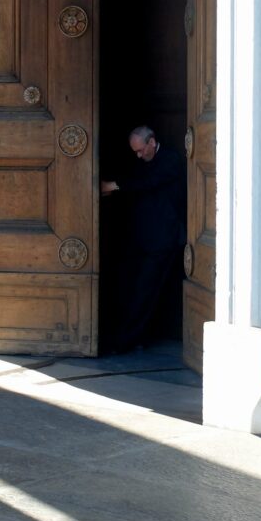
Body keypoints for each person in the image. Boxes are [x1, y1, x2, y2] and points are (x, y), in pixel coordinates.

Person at [101, 126, 186, 352]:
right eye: (135, 152)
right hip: (141, 238)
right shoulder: (140, 161)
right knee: (132, 288)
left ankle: (127, 341)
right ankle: (129, 337)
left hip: (163, 240)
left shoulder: (171, 160)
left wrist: (115, 185)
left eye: (141, 150)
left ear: (151, 142)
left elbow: (148, 182)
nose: (139, 155)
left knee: (145, 292)